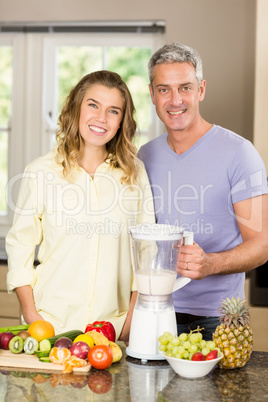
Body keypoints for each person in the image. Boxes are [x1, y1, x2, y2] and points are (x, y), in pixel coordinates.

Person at [6, 70, 154, 340]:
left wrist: (130, 323)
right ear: (76, 108)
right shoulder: (41, 171)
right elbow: (21, 244)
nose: (101, 118)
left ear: (122, 121)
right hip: (50, 326)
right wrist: (31, 314)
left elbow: (146, 252)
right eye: (93, 105)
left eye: (113, 111)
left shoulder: (135, 173)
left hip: (112, 331)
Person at [138, 42, 268, 340]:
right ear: (152, 94)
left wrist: (211, 263)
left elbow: (262, 244)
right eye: (164, 89)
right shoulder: (143, 158)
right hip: (153, 311)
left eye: (185, 87)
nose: (175, 100)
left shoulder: (239, 153)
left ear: (201, 90)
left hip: (217, 319)